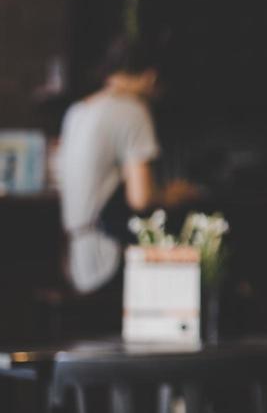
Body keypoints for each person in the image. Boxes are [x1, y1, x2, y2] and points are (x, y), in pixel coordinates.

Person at [56, 38, 196, 298]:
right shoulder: (132, 111)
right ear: (151, 77)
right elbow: (141, 198)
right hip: (108, 258)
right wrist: (174, 195)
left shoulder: (77, 111)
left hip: (74, 257)